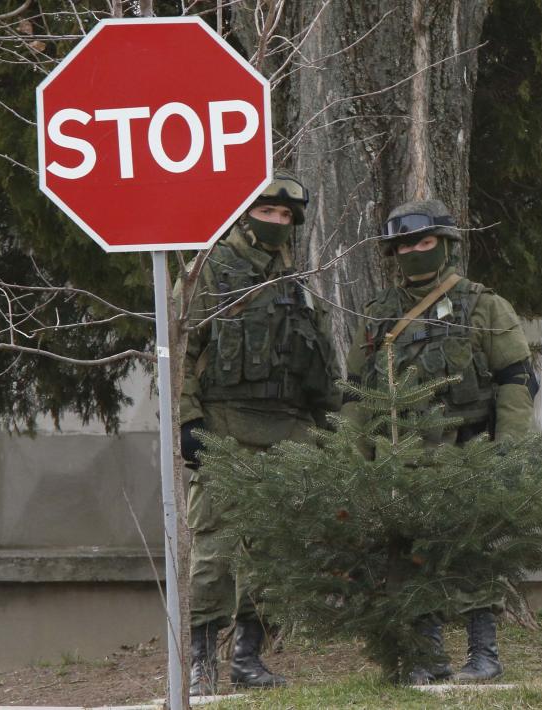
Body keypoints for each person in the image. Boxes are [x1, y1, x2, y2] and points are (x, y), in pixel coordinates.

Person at [343, 199, 538, 683]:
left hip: (465, 449)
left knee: (471, 553)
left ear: (446, 245)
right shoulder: (378, 315)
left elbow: (516, 381)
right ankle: (428, 660)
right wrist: (353, 459)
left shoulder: (483, 304)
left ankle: (484, 655)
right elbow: (354, 392)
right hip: (399, 456)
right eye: (405, 244)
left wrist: (509, 452)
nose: (414, 251)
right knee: (408, 560)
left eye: (424, 241)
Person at [175, 170, 341, 696]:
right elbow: (180, 354)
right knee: (216, 552)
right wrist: (187, 423)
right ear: (246, 214)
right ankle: (201, 664)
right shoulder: (210, 272)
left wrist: (337, 432)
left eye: (285, 216)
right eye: (267, 212)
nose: (276, 222)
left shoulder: (297, 286)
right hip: (224, 430)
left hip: (290, 433)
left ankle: (248, 658)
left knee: (276, 553)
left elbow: (323, 368)